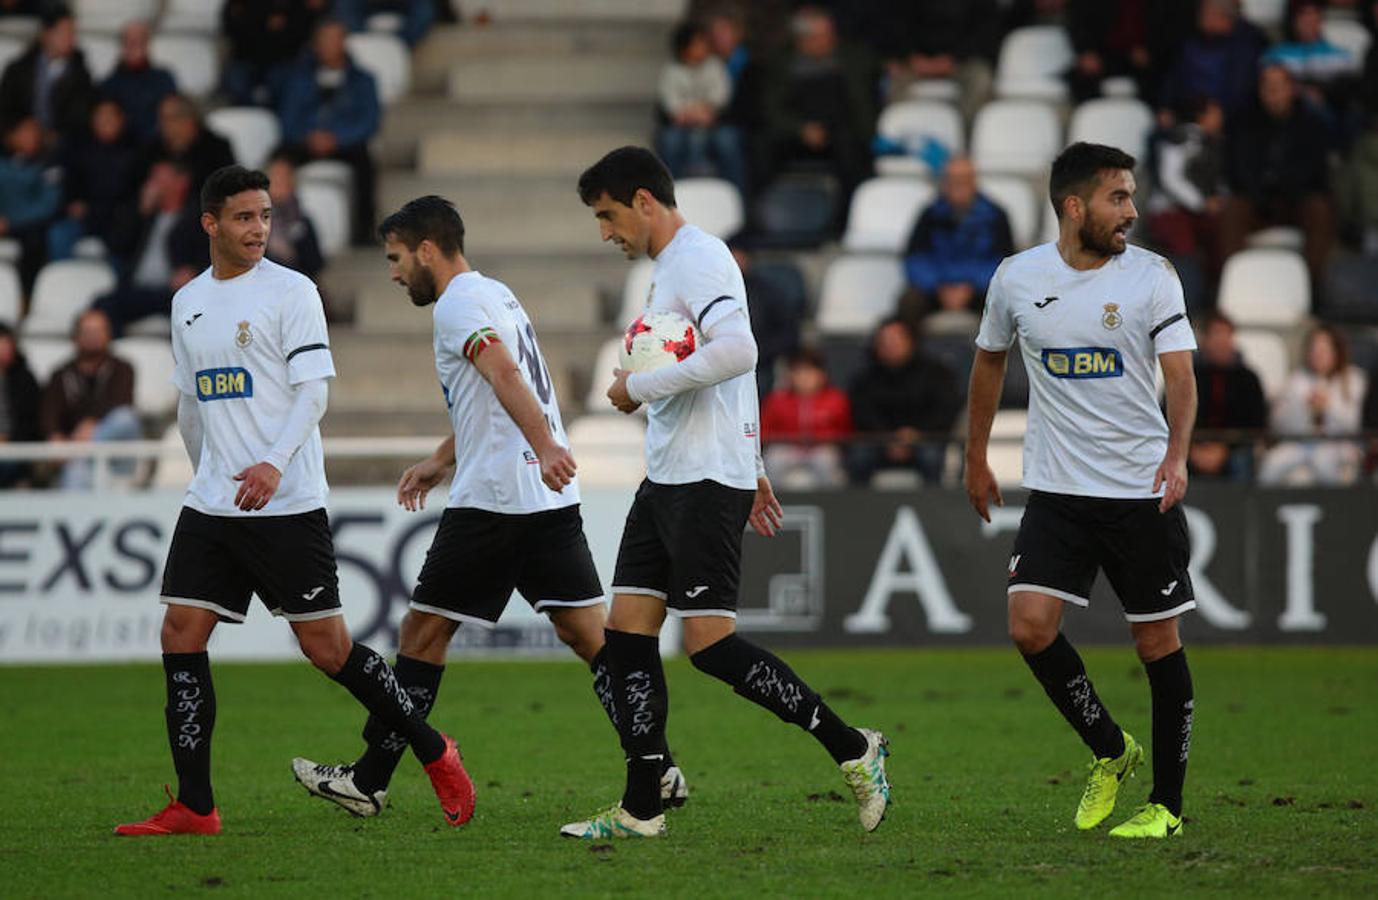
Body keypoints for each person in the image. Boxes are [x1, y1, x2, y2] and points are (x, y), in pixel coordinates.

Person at [288, 194, 689, 818]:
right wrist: (443, 458)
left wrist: (545, 445)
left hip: (496, 501)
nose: (393, 272)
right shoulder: (495, 293)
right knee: (590, 636)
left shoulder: (456, 307)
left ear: (427, 249)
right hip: (544, 498)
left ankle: (368, 780)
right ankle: (656, 763)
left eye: (396, 258)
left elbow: (504, 374)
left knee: (422, 635)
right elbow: (500, 387)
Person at [113, 165, 473, 837]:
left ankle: (433, 750)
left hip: (285, 502)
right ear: (210, 224)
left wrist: (272, 466)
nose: (259, 229)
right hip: (214, 504)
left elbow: (314, 393)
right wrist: (206, 476)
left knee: (328, 650)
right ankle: (195, 805)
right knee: (180, 633)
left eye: (266, 216)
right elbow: (192, 405)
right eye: (244, 217)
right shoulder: (187, 301)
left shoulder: (293, 291)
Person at [569, 146, 890, 839]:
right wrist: (757, 461)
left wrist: (638, 388)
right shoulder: (670, 271)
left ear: (644, 202)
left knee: (711, 647)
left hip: (704, 479)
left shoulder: (699, 258)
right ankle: (642, 807)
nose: (606, 232)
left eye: (608, 215)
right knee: (626, 636)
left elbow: (740, 350)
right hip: (671, 474)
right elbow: (731, 377)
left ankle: (853, 747)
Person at [965, 142, 1199, 840]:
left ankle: (1167, 808)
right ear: (1074, 206)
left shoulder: (1153, 277)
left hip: (1137, 490)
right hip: (1058, 490)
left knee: (1158, 645)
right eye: (1117, 197)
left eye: (1131, 196)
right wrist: (975, 456)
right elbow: (987, 361)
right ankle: (1109, 748)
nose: (1130, 210)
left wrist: (1177, 456)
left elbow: (1182, 378)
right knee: (1029, 628)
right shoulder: (1015, 278)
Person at [1220, 64, 1335, 295]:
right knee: (1232, 209)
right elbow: (1239, 167)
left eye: (1278, 87)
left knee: (1320, 209)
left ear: (1292, 89)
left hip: (1296, 199)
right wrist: (1260, 195)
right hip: (1257, 199)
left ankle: (1312, 288)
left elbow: (1315, 170)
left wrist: (1288, 189)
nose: (1272, 93)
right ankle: (1229, 286)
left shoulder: (1312, 124)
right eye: (1267, 87)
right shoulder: (1244, 122)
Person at [759, 7, 875, 219]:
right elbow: (773, 110)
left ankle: (845, 221)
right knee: (760, 147)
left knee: (854, 152)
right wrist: (801, 129)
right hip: (796, 132)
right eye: (821, 37)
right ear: (803, 40)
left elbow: (860, 107)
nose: (830, 41)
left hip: (840, 131)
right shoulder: (783, 65)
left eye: (830, 35)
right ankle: (766, 220)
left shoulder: (850, 60)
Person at [276, 17, 381, 245]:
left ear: (344, 43)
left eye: (333, 40)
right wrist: (309, 137)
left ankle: (364, 231)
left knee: (366, 167)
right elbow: (288, 119)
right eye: (323, 40)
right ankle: (279, 227)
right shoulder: (298, 78)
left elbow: (369, 121)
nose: (328, 46)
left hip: (344, 144)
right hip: (306, 142)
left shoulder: (363, 80)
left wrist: (338, 138)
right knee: (278, 163)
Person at [846, 317, 962, 485]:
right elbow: (861, 413)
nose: (890, 345)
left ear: (911, 341)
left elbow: (946, 409)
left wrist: (917, 434)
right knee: (859, 456)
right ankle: (857, 509)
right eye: (884, 341)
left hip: (926, 438)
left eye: (896, 339)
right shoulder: (865, 378)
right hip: (879, 440)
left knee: (931, 456)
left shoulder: (937, 373)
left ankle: (935, 509)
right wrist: (888, 437)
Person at [39, 308, 140, 489]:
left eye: (98, 331)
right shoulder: (61, 374)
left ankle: (78, 452)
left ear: (108, 335)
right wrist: (55, 434)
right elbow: (50, 411)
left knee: (125, 418)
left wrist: (92, 424)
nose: (93, 336)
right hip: (81, 459)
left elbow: (121, 400)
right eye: (87, 331)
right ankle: (80, 453)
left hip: (117, 454)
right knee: (78, 470)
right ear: (75, 336)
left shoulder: (122, 368)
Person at [901, 155, 1014, 316]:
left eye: (964, 180)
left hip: (979, 289)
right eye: (952, 179)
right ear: (944, 183)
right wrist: (939, 288)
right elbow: (915, 259)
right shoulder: (929, 215)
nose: (958, 185)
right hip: (936, 289)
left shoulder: (995, 216)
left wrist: (970, 288)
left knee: (1000, 304)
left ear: (974, 181)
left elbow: (1004, 263)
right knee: (909, 302)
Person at [1258, 324, 1367, 486]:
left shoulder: (1353, 379)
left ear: (1336, 352)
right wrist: (1303, 407)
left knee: (1325, 462)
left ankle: (1339, 509)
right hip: (1300, 443)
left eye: (1324, 350)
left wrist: (1328, 407)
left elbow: (1355, 424)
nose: (1318, 355)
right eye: (1314, 350)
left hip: (1338, 444)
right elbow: (1278, 425)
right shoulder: (1296, 380)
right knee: (1272, 465)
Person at [655, 21, 748, 195]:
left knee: (727, 141)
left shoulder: (715, 66)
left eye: (704, 43)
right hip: (681, 124)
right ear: (684, 49)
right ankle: (670, 194)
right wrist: (687, 114)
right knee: (671, 142)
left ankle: (737, 195)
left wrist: (708, 110)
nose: (702, 48)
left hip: (714, 122)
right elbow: (669, 101)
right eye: (697, 44)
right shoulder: (671, 71)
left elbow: (722, 94)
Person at [53, 98, 141, 260]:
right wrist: (74, 203)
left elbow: (131, 196)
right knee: (59, 233)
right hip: (85, 217)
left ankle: (117, 282)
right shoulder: (80, 150)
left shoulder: (137, 152)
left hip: (117, 219)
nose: (105, 121)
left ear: (121, 120)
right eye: (100, 116)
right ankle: (62, 281)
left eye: (110, 116)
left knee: (125, 235)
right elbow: (71, 185)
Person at [1158, 0, 1266, 123]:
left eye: (1205, 13)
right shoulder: (1190, 41)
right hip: (1185, 112)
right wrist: (1165, 105)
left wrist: (1221, 112)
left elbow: (1241, 90)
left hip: (1228, 117)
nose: (1200, 16)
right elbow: (1173, 78)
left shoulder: (1246, 45)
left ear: (1223, 16)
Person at [0, 3, 93, 144]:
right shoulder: (18, 69)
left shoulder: (80, 74)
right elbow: (5, 110)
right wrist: (17, 132)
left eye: (72, 33)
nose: (71, 39)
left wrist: (52, 137)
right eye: (64, 32)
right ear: (46, 34)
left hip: (62, 151)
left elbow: (81, 118)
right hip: (19, 149)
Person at [761, 346, 852, 488]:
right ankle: (772, 505)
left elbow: (845, 432)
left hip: (820, 449)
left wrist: (823, 439)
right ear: (790, 375)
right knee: (773, 459)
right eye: (798, 372)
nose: (804, 377)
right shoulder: (776, 400)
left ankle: (832, 506)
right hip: (787, 448)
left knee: (826, 460)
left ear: (822, 375)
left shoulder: (836, 399)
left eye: (809, 372)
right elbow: (764, 432)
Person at [1191, 310, 1267, 481]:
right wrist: (1191, 449)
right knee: (1172, 461)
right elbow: (1168, 415)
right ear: (1204, 340)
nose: (1221, 341)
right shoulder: (1188, 376)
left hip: (1234, 448)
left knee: (1241, 461)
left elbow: (1256, 423)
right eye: (1215, 335)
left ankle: (1244, 508)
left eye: (1226, 335)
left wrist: (1225, 449)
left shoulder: (1248, 378)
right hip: (1190, 447)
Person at [220, 0, 331, 106]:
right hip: (245, 57)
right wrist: (263, 25)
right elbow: (231, 27)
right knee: (236, 81)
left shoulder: (296, 4)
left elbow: (303, 28)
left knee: (289, 82)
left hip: (283, 59)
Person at [0, 115, 60, 291]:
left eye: (34, 132)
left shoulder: (49, 164)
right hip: (2, 220)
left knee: (36, 240)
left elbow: (48, 205)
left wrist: (10, 222)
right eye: (23, 132)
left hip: (29, 225)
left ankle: (26, 294)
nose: (29, 137)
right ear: (11, 136)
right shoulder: (4, 161)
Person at [138, 93, 236, 198]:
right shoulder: (153, 148)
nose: (162, 125)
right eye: (161, 118)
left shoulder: (217, 149)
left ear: (189, 120)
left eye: (168, 118)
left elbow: (226, 191)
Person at [100, 20, 178, 143]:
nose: (133, 46)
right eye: (128, 41)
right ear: (122, 45)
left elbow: (174, 117)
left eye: (139, 41)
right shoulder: (108, 86)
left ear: (147, 44)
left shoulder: (163, 80)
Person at [264, 152, 324, 282]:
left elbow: (315, 265)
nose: (281, 183)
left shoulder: (303, 222)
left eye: (286, 178)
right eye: (276, 178)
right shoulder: (251, 223)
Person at [0, 322, 42, 487]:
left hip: (16, 451)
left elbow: (32, 423)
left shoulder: (25, 380)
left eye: (6, 344)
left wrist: (7, 440)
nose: (3, 349)